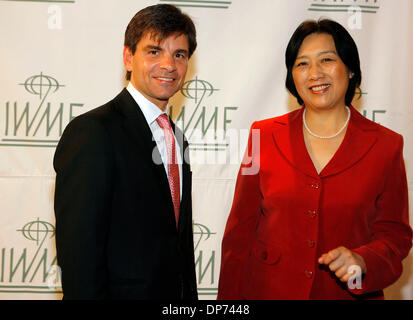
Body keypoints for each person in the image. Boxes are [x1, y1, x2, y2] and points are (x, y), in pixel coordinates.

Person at [218, 19, 412, 300]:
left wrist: (363, 261)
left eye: (327, 60)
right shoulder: (262, 135)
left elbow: (396, 237)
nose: (315, 73)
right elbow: (239, 234)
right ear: (291, 77)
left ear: (351, 68)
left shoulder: (386, 145)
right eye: (302, 64)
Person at [53, 4, 198, 300]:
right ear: (128, 57)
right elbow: (79, 256)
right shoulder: (93, 132)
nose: (169, 64)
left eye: (179, 54)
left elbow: (178, 247)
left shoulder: (176, 139)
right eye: (154, 51)